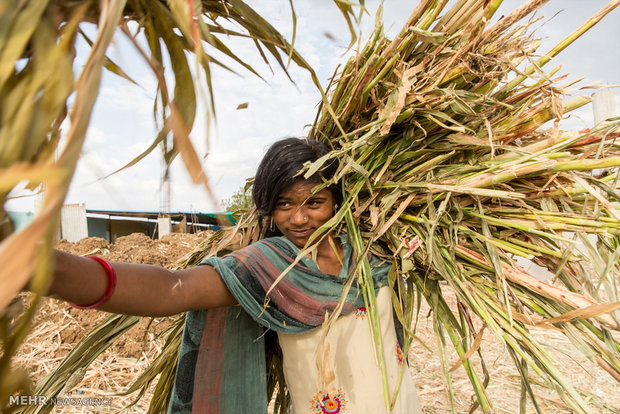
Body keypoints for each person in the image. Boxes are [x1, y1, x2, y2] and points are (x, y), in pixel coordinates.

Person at [47, 137, 422, 413]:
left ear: (337, 200)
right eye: (284, 204)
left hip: (399, 403)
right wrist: (50, 269)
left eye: (315, 202)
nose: (299, 217)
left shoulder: (377, 255)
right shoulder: (270, 266)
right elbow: (172, 289)